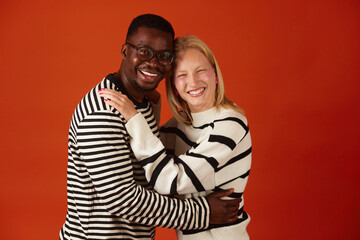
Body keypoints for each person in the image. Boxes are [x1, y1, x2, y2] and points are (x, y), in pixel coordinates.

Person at [59, 15, 241, 240]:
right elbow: (123, 200)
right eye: (144, 51)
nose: (153, 63)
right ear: (125, 50)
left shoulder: (140, 104)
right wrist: (202, 213)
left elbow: (151, 172)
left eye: (164, 56)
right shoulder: (102, 112)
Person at [98, 35, 252, 239]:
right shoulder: (177, 127)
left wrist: (134, 118)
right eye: (182, 75)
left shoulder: (230, 124)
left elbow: (168, 181)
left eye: (200, 70)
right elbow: (146, 169)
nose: (193, 82)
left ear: (215, 73)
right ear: (174, 87)